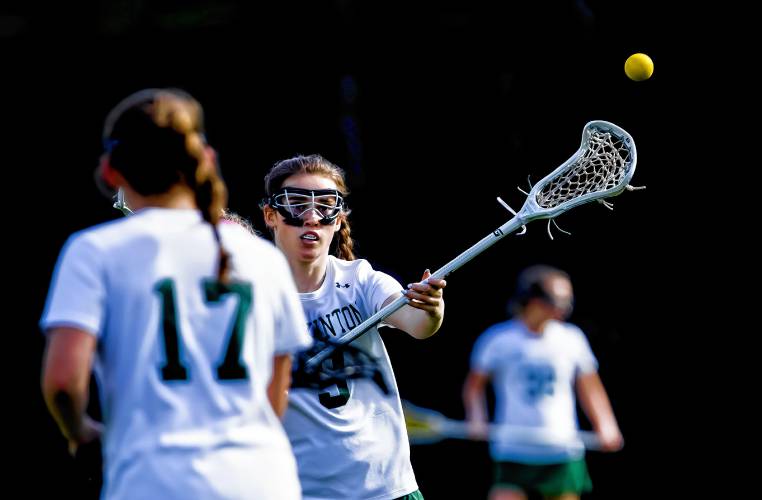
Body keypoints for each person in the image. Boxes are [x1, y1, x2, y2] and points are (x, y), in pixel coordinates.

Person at [40, 88, 312, 499]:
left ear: (112, 171)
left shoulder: (93, 251)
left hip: (153, 481)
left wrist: (80, 431)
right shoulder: (262, 257)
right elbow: (276, 393)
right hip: (263, 480)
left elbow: (63, 380)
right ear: (207, 162)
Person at [260, 154, 447, 500]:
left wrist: (431, 307)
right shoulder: (255, 296)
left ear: (339, 218)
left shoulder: (359, 279)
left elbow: (418, 323)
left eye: (326, 204)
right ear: (271, 215)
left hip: (388, 488)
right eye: (297, 203)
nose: (311, 217)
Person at [462, 265, 623, 500]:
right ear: (533, 299)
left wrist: (607, 424)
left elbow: (590, 389)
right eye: (558, 299)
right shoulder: (498, 340)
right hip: (513, 449)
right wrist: (476, 417)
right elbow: (474, 388)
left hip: (561, 449)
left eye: (568, 300)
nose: (565, 307)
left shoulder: (571, 338)